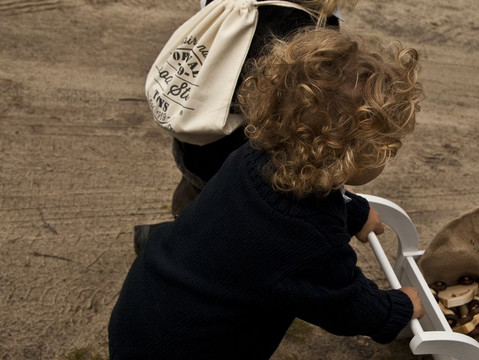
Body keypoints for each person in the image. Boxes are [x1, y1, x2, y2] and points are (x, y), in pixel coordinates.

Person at [109, 28, 425, 359]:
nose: (391, 154)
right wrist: (396, 307)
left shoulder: (256, 156)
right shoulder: (308, 241)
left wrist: (354, 213)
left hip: (148, 302)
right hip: (188, 347)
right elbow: (343, 302)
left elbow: (312, 196)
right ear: (348, 154)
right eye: (387, 148)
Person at [133, 0, 354, 254]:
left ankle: (172, 233)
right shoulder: (311, 30)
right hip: (244, 161)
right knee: (230, 232)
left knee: (198, 198)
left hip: (199, 138)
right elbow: (304, 118)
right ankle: (165, 247)